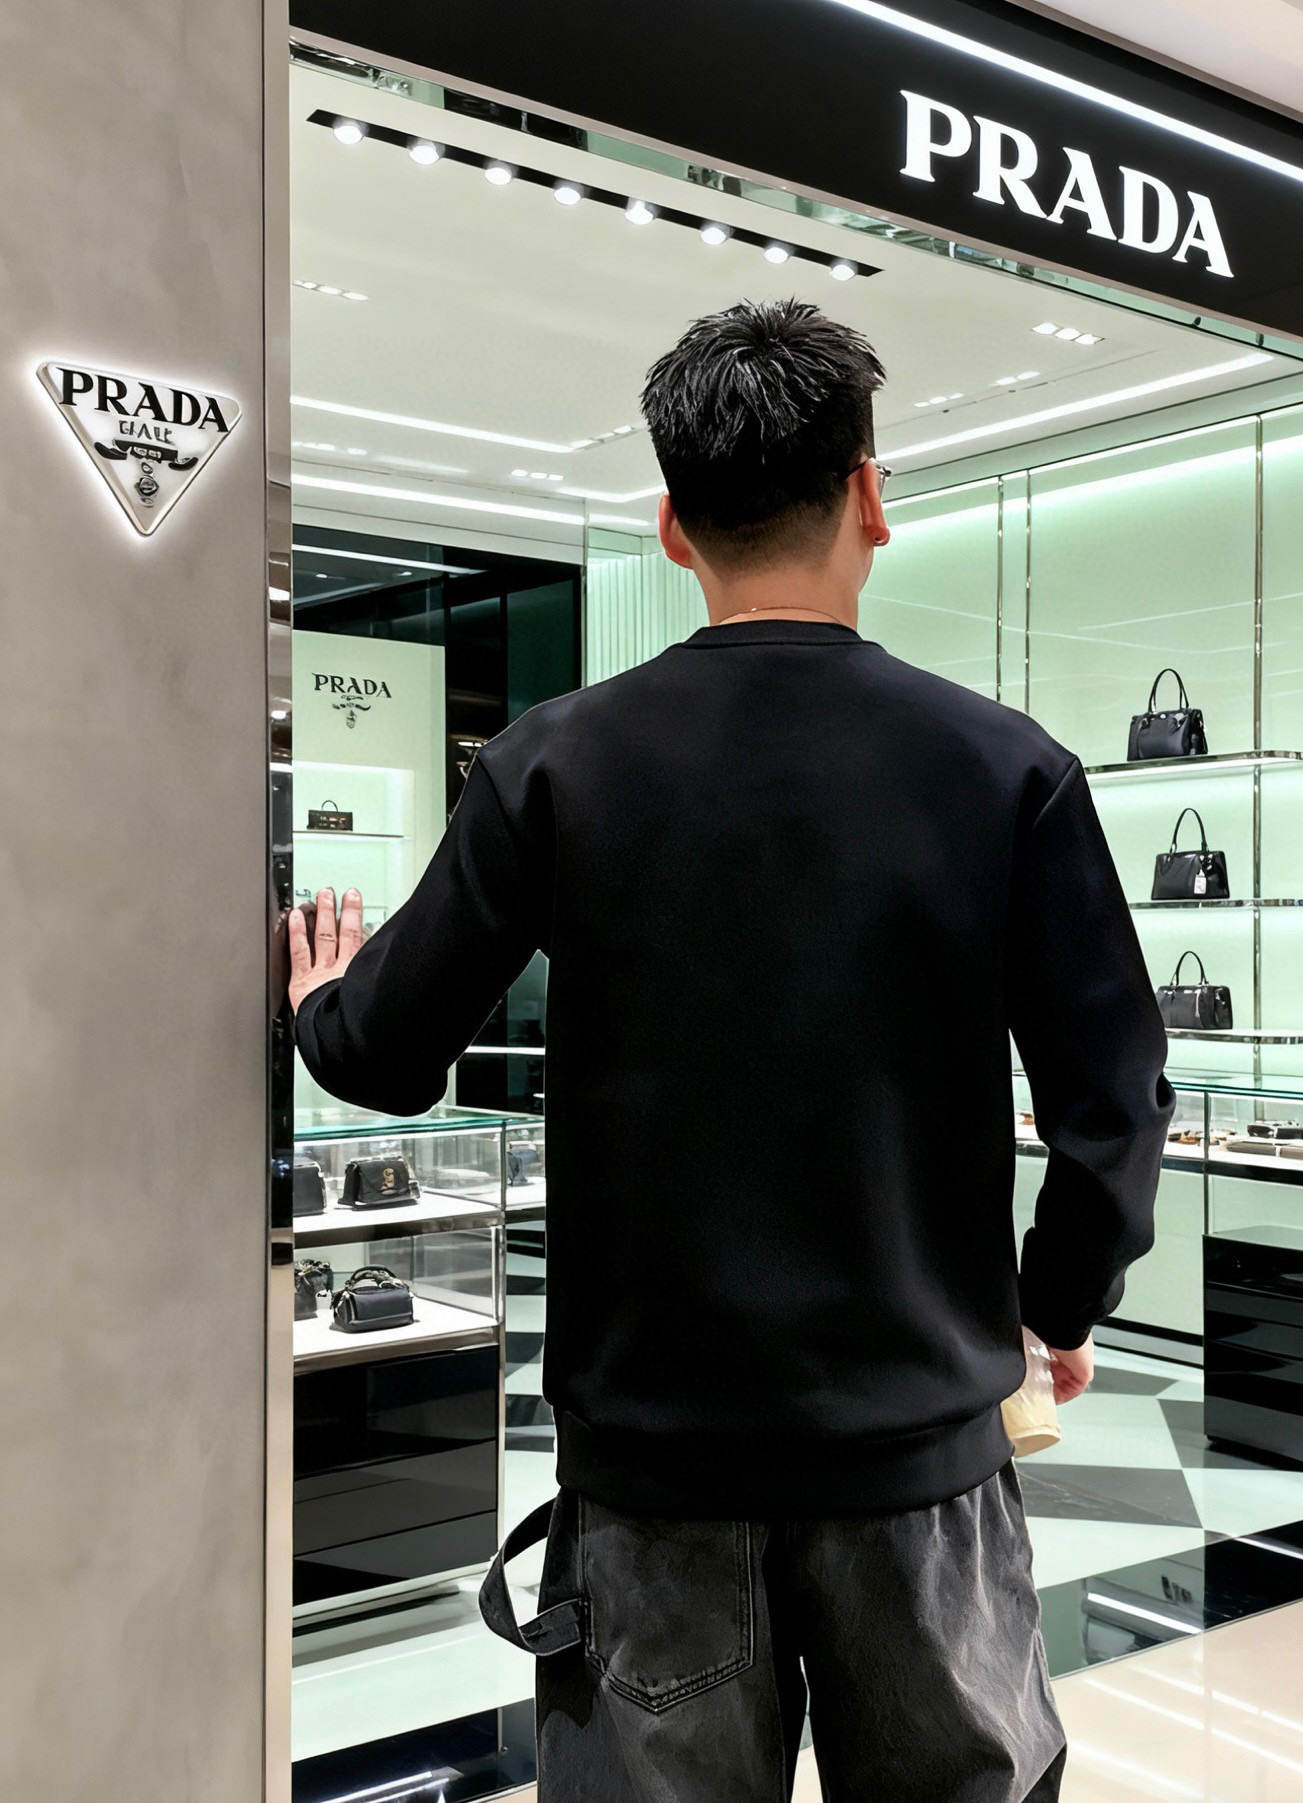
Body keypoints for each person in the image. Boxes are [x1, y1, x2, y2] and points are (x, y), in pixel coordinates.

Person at [290, 298, 1173, 1802]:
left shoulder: (553, 761)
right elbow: (1114, 1096)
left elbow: (380, 1057)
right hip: (920, 1462)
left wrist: (322, 993)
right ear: (870, 496)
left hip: (654, 1483)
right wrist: (1060, 1301)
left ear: (670, 527)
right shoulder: (1001, 767)